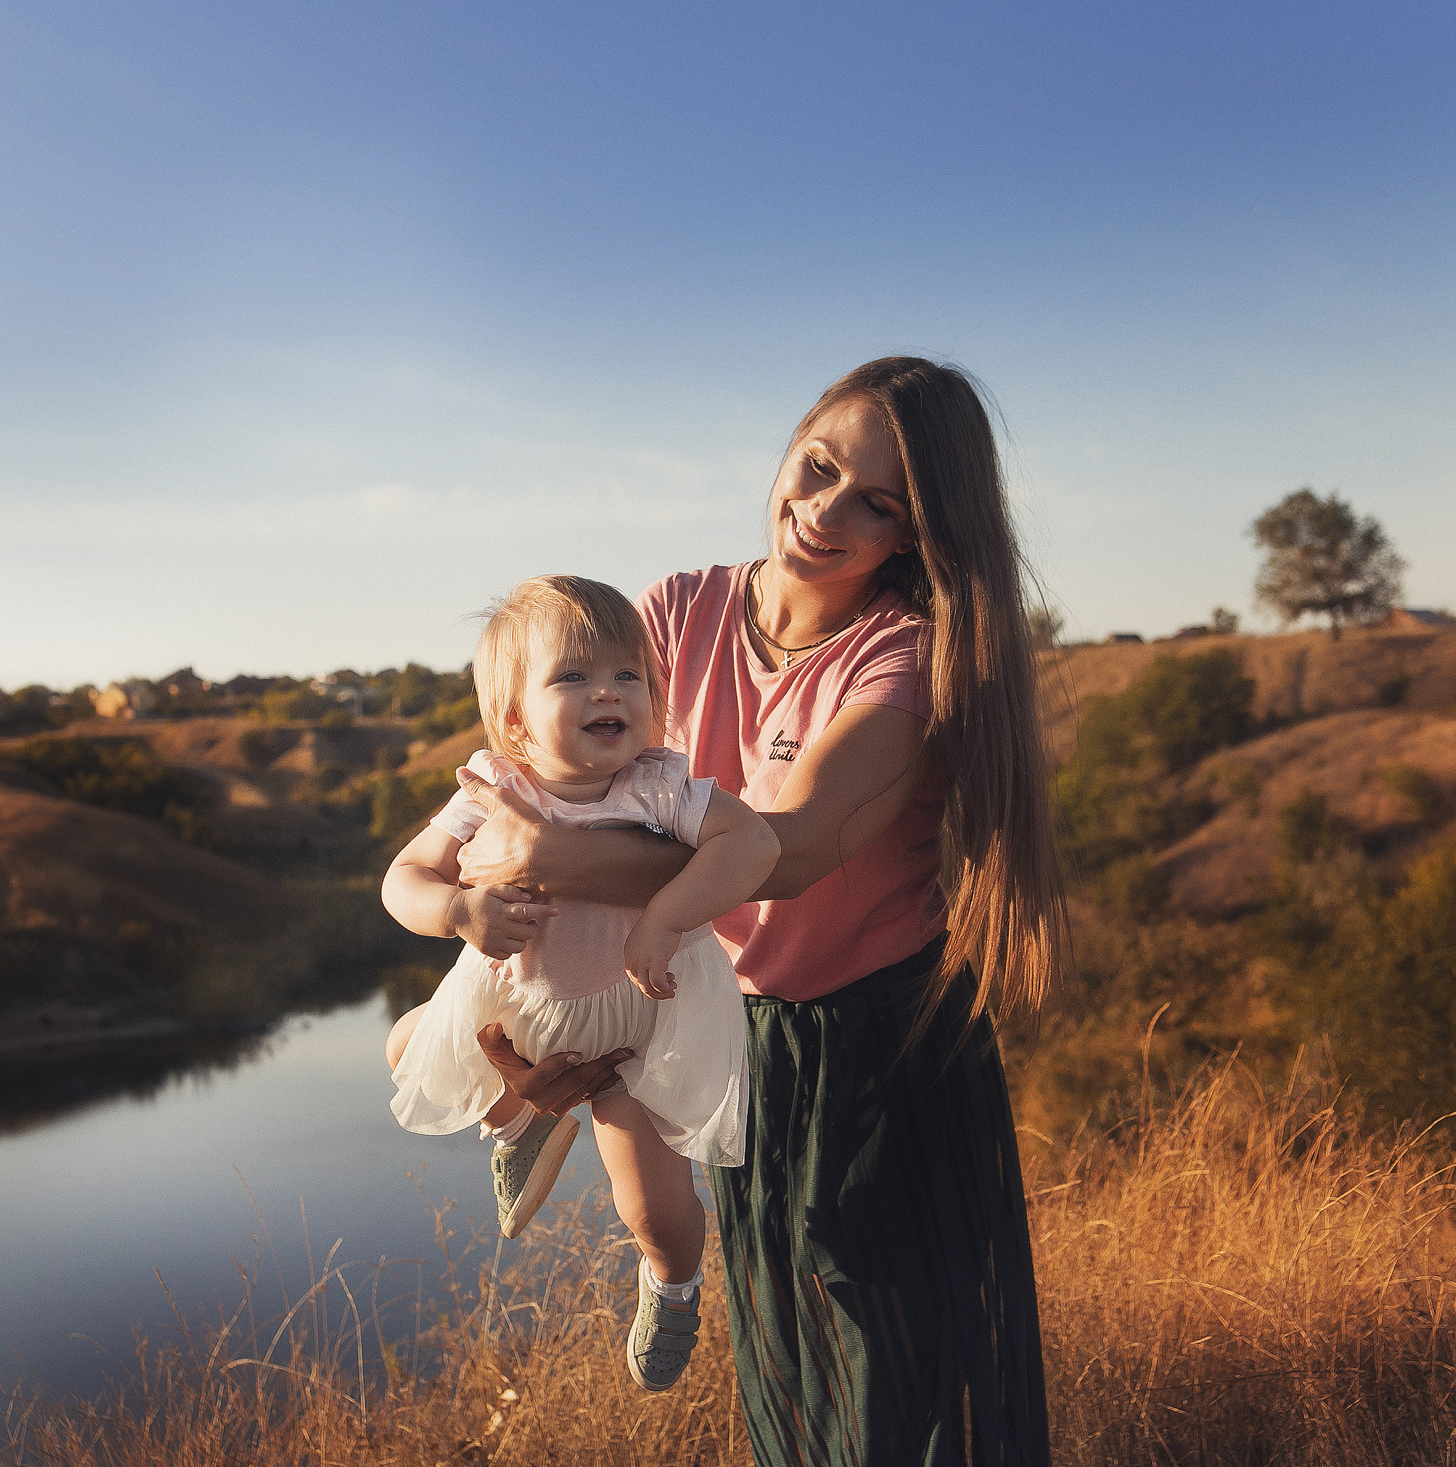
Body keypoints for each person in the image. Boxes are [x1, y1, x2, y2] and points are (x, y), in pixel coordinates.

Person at [452, 358, 1067, 1465]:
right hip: (733, 1027)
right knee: (787, 1369)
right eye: (819, 467)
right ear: (789, 448)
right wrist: (547, 992)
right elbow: (572, 782)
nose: (825, 513)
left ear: (919, 535)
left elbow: (782, 851)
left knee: (898, 1388)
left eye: (880, 503)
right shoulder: (675, 612)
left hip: (877, 1047)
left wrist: (543, 857)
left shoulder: (904, 660)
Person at [380, 574, 780, 1392]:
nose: (609, 690)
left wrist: (667, 915)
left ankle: (671, 1286)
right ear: (518, 720)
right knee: (404, 1046)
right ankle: (522, 1115)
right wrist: (458, 908)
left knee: (657, 1212)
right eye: (572, 675)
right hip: (527, 1013)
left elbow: (755, 847)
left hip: (643, 1026)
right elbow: (402, 879)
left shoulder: (658, 786)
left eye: (629, 674)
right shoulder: (495, 791)